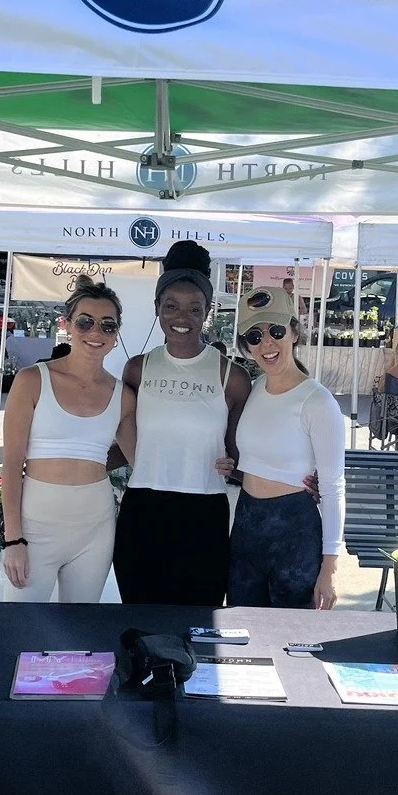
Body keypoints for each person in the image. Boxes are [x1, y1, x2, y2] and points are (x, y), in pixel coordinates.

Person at [113, 241, 250, 607]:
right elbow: (122, 442)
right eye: (171, 305)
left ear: (207, 312)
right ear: (157, 307)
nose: (182, 317)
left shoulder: (232, 377)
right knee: (138, 620)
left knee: (198, 622)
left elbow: (242, 455)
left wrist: (298, 480)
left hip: (204, 514)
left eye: (194, 308)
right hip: (142, 511)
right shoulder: (137, 369)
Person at [0, 276, 124, 603]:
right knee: (21, 625)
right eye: (85, 322)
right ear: (67, 324)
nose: (95, 332)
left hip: (95, 529)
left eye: (107, 325)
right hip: (35, 527)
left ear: (116, 334)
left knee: (80, 627)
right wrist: (13, 540)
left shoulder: (123, 394)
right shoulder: (31, 380)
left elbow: (141, 454)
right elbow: (11, 464)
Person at [222, 286, 347, 611]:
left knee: (291, 635)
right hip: (246, 526)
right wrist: (230, 467)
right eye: (255, 336)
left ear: (293, 332)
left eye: (275, 331)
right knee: (240, 630)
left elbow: (333, 488)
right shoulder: (254, 389)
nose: (266, 343)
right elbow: (257, 460)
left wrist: (329, 568)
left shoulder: (318, 402)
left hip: (295, 533)